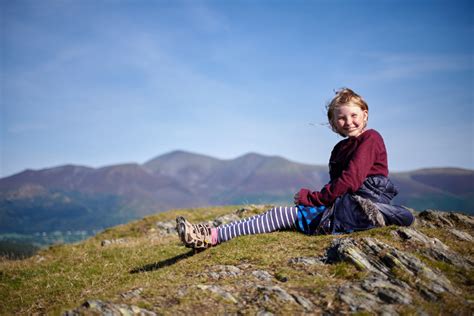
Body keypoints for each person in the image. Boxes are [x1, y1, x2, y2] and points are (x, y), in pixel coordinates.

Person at [176, 88, 414, 249]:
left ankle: (211, 236)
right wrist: (320, 200)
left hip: (362, 207)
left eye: (353, 115)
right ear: (333, 123)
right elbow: (339, 185)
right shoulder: (339, 149)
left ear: (365, 114)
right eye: (341, 118)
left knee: (281, 215)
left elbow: (351, 180)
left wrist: (313, 198)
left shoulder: (370, 138)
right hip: (346, 205)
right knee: (283, 215)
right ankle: (210, 233)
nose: (348, 121)